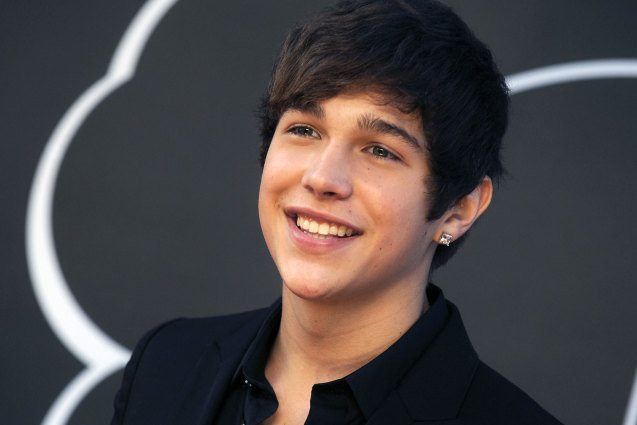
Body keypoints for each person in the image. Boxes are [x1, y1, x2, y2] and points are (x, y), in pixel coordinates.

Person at [111, 1, 563, 424]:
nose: (322, 177)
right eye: (305, 130)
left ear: (458, 210)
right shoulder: (166, 363)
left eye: (380, 151)